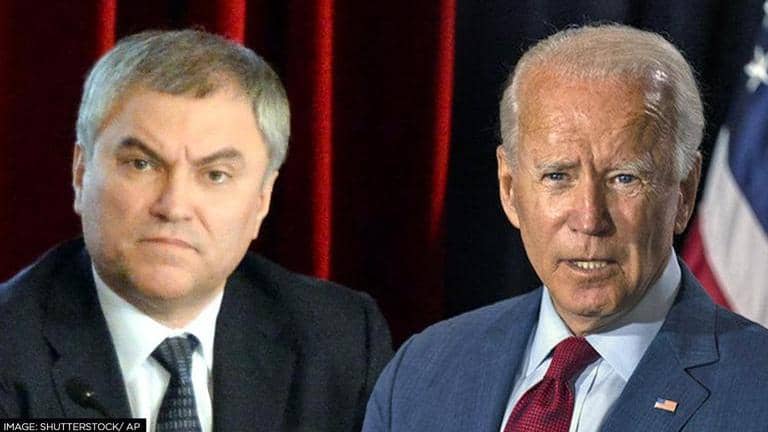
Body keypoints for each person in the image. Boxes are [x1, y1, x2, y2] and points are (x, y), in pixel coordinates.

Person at [363, 24, 768, 432]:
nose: (590, 219)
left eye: (625, 178)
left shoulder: (758, 390)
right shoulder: (421, 373)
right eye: (557, 176)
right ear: (509, 188)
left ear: (684, 192)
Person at [0, 30, 392, 431]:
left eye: (215, 174)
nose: (174, 207)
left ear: (262, 199)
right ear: (81, 174)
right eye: (141, 164)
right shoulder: (9, 347)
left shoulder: (340, 340)